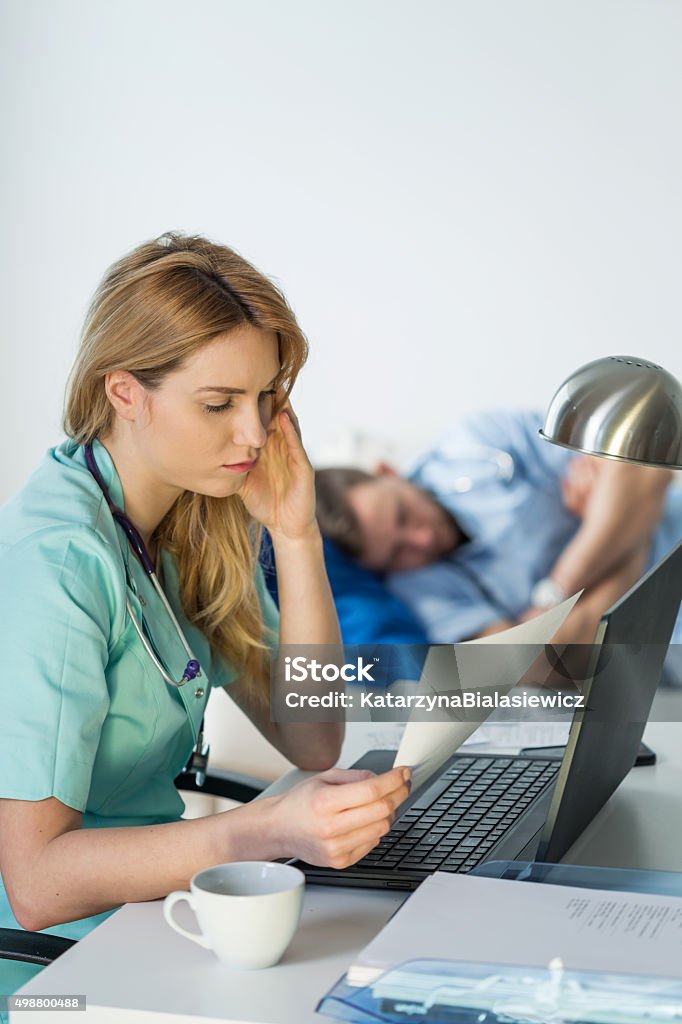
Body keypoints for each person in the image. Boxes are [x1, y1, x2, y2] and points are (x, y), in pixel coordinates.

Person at [0, 233, 411, 1003]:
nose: (253, 436)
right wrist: (269, 829)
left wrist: (297, 535)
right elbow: (36, 885)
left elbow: (314, 736)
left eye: (264, 402)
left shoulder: (190, 520)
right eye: (219, 404)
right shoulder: (54, 565)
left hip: (155, 916)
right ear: (124, 392)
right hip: (47, 964)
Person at [314, 408, 682, 659]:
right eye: (396, 554)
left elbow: (646, 470)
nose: (421, 540)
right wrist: (631, 537)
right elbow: (543, 663)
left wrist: (555, 594)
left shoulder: (480, 441)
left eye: (403, 514)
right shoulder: (419, 597)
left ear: (387, 471)